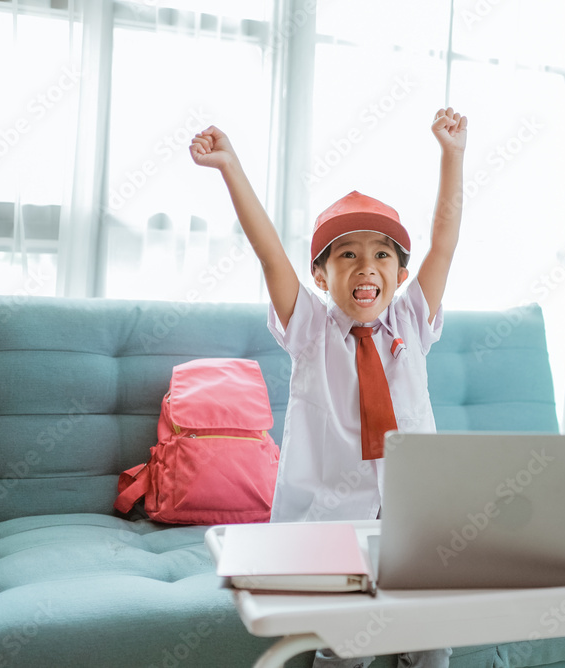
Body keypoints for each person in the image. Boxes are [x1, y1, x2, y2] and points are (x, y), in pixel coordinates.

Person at [190, 107, 467, 668]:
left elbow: (443, 242)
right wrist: (230, 166)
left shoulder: (412, 321)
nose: (367, 267)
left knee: (435, 642)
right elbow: (269, 250)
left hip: (412, 520)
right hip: (330, 525)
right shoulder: (311, 330)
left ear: (399, 274)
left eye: (381, 255)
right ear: (321, 277)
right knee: (348, 645)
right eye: (348, 255)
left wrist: (452, 155)